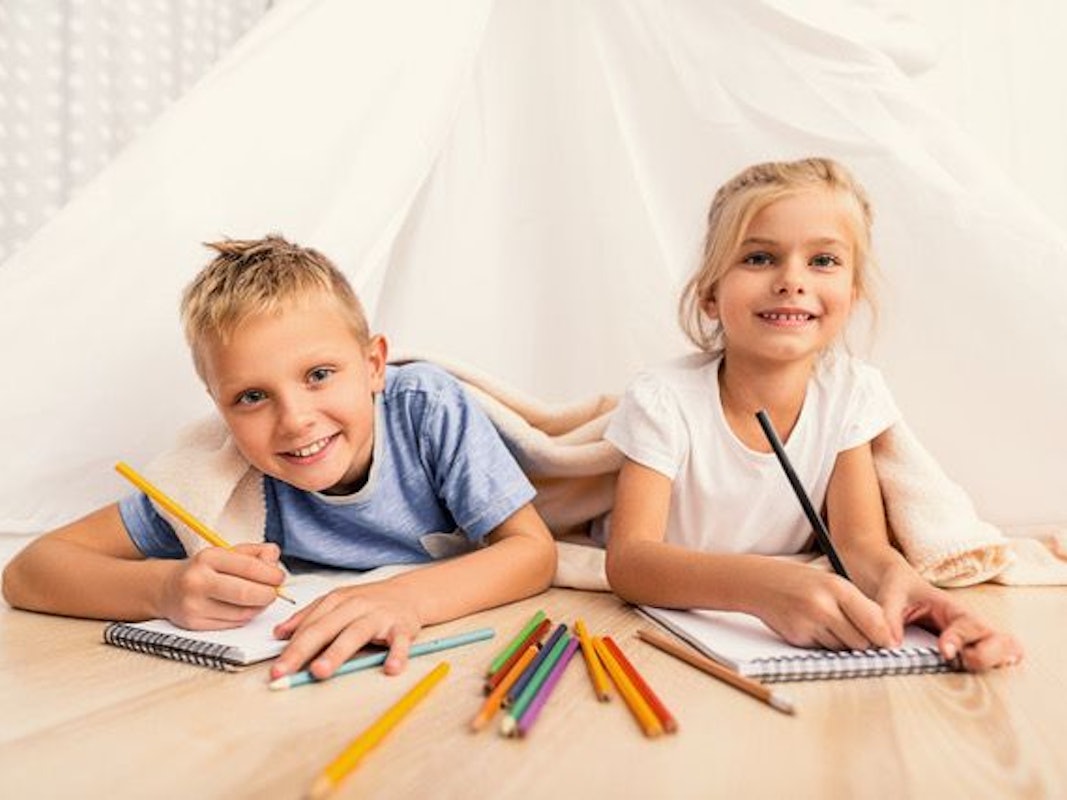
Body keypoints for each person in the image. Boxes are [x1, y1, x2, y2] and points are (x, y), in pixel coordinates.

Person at [2, 235, 556, 680]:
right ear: (219, 407)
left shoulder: (427, 409)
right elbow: (29, 572)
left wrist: (404, 599)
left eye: (319, 375)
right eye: (251, 397)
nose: (294, 420)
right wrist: (165, 588)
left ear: (373, 366)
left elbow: (533, 551)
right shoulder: (218, 474)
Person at [602, 157, 1022, 670]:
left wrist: (919, 595)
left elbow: (861, 545)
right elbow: (629, 561)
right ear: (710, 294)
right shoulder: (664, 399)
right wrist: (763, 586)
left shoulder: (850, 394)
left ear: (853, 294)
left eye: (823, 261)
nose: (791, 280)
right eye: (758, 258)